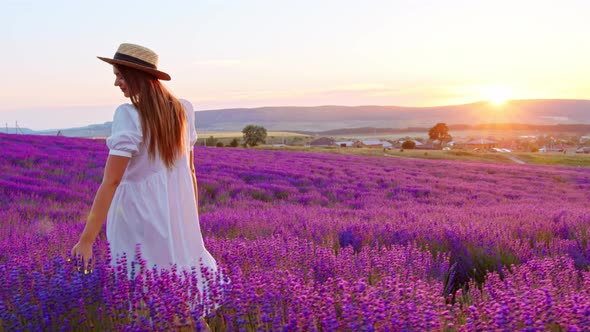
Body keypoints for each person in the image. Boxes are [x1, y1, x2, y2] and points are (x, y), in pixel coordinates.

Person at [71, 42, 217, 296]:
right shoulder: (184, 110)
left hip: (135, 217)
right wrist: (189, 220)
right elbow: (191, 172)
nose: (116, 83)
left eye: (119, 75)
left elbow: (111, 182)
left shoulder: (128, 115)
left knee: (142, 293)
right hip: (176, 214)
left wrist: (86, 240)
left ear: (135, 75)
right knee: (181, 290)